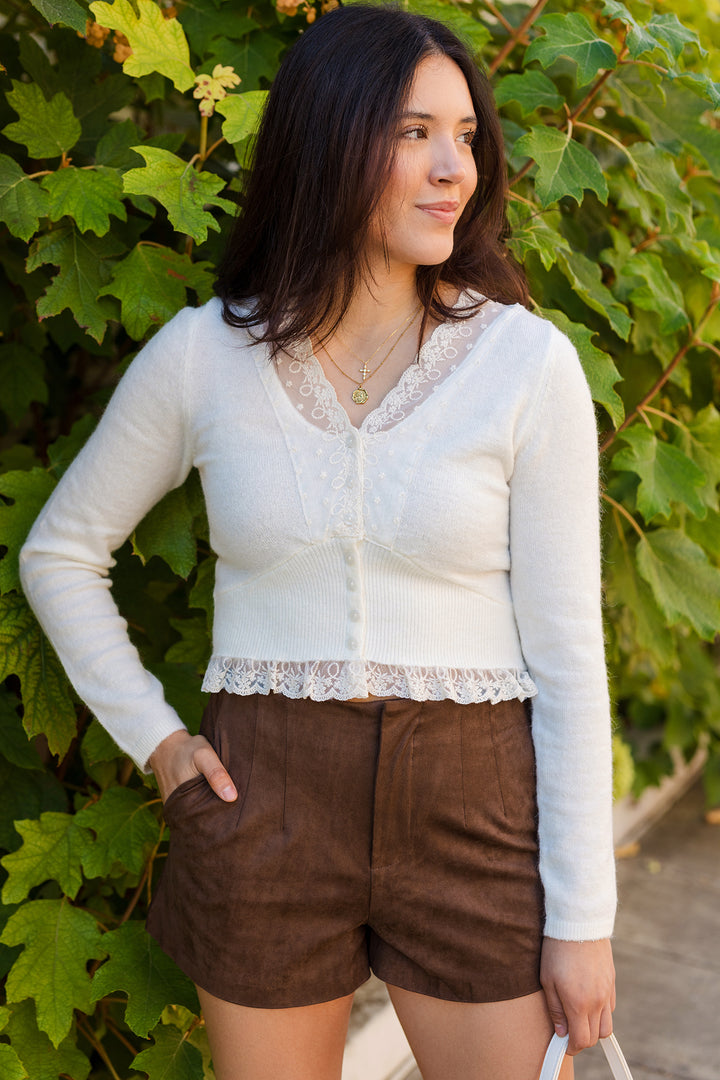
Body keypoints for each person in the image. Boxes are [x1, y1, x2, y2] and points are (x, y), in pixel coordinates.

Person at [20, 5, 617, 1079]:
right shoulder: (206, 356)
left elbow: (569, 659)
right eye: (412, 133)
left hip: (474, 808)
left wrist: (584, 918)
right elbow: (60, 552)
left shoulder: (527, 366)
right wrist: (163, 749)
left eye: (467, 135)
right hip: (266, 801)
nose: (454, 169)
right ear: (328, 139)